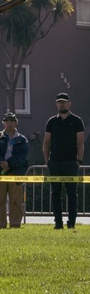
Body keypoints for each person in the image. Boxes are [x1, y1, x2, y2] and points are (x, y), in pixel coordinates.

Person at [43, 93, 85, 230]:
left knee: (72, 193)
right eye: (59, 102)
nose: (62, 104)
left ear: (69, 103)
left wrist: (78, 160)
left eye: (64, 102)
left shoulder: (77, 121)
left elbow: (80, 142)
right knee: (55, 193)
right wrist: (47, 160)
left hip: (70, 162)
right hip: (54, 162)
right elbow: (46, 142)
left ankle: (71, 222)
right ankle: (58, 223)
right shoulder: (51, 121)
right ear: (56, 104)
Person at [0, 112, 29, 229]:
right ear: (3, 123)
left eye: (11, 121)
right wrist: (2, 164)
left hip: (15, 172)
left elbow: (22, 157)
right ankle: (0, 225)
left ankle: (15, 224)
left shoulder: (22, 139)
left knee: (15, 200)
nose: (9, 124)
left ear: (16, 123)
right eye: (7, 121)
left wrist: (9, 164)